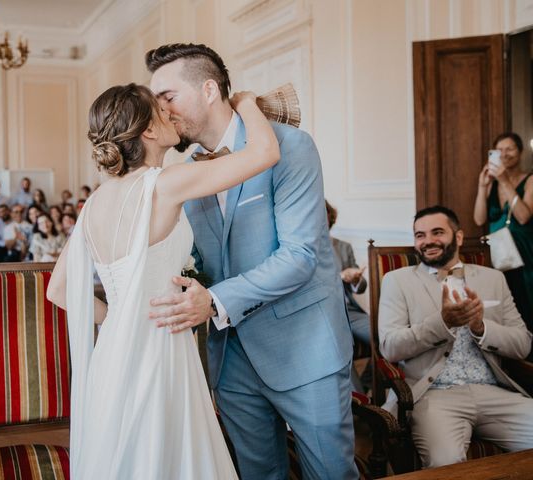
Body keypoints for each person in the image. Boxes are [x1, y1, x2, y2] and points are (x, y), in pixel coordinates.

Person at [145, 43, 356, 479]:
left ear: (208, 90)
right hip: (230, 358)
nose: (163, 113)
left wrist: (214, 300)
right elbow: (198, 258)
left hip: (304, 349)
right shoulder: (188, 169)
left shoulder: (289, 146)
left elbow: (300, 256)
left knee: (331, 474)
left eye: (168, 99)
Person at [46, 83, 279, 479]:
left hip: (114, 353)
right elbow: (265, 153)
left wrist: (121, 318)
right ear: (149, 133)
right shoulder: (165, 183)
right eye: (161, 110)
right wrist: (246, 104)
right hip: (159, 348)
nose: (171, 114)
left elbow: (59, 289)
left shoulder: (96, 202)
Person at [379, 205, 533, 468]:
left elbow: (523, 344)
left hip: (494, 391)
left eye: (437, 232)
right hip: (433, 395)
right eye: (420, 235)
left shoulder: (493, 278)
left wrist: (480, 327)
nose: (427, 241)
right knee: (446, 464)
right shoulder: (397, 281)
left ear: (458, 237)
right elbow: (390, 348)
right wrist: (443, 323)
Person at [473, 132, 533, 342]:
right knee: (500, 305)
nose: (504, 154)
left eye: (510, 149)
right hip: (497, 254)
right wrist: (482, 186)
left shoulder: (530, 180)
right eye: (499, 150)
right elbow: (480, 219)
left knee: (524, 305)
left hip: (522, 255)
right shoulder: (491, 182)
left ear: (520, 152)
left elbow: (523, 216)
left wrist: (505, 181)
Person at [326, 200, 371, 392]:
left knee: (386, 334)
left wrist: (355, 280)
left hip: (350, 312)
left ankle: (372, 384)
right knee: (340, 346)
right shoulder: (297, 249)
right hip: (325, 315)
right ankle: (360, 403)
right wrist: (340, 277)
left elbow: (359, 288)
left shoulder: (343, 247)